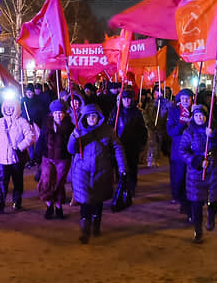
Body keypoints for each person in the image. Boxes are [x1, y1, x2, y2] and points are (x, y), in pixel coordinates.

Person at [68, 103, 126, 244]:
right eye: (89, 116)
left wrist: (122, 167)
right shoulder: (79, 130)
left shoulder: (108, 131)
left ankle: (96, 224)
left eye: (94, 116)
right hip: (82, 170)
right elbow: (71, 149)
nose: (92, 118)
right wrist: (73, 138)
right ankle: (85, 230)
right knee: (85, 200)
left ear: (98, 117)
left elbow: (118, 149)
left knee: (98, 199)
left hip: (102, 170)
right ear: (85, 117)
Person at [179, 104, 217, 243]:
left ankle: (211, 216)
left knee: (214, 198)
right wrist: (196, 161)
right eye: (196, 115)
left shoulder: (214, 127)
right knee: (196, 202)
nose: (199, 118)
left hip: (214, 168)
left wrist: (214, 135)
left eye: (201, 115)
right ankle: (198, 230)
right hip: (196, 172)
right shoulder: (189, 132)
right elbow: (183, 151)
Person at [0, 99, 36, 212]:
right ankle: (0, 203)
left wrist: (20, 147)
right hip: (3, 158)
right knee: (2, 182)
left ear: (16, 108)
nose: (9, 110)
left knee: (17, 181)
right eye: (6, 107)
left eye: (11, 107)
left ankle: (17, 201)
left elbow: (31, 137)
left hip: (16, 158)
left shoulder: (22, 122)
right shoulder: (0, 122)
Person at [35, 99, 74, 219]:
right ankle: (49, 205)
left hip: (63, 159)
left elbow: (73, 143)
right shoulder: (46, 125)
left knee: (58, 183)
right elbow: (41, 140)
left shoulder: (70, 126)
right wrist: (37, 155)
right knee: (47, 182)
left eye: (61, 112)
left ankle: (58, 207)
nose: (58, 115)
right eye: (56, 113)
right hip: (48, 157)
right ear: (52, 113)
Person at [108, 89, 147, 196]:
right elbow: (110, 126)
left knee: (132, 167)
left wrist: (141, 144)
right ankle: (122, 187)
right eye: (125, 99)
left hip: (133, 145)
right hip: (119, 144)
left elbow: (142, 130)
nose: (127, 101)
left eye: (129, 99)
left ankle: (131, 187)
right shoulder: (116, 112)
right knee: (120, 168)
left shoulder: (137, 113)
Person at [166, 88, 193, 218]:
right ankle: (181, 199)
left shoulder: (196, 111)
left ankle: (189, 205)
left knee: (191, 178)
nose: (186, 101)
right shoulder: (174, 112)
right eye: (183, 99)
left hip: (193, 151)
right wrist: (183, 125)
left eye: (188, 98)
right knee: (179, 177)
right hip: (178, 150)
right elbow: (170, 131)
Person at [143, 86, 172, 167]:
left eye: (159, 93)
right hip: (151, 126)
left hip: (160, 127)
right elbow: (145, 114)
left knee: (158, 142)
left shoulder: (165, 104)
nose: (157, 95)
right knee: (152, 142)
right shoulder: (150, 104)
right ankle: (150, 159)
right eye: (156, 93)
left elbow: (167, 113)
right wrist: (148, 123)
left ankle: (155, 158)